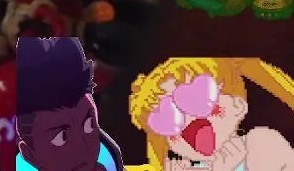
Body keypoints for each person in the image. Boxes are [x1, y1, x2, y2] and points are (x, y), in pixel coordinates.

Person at [128, 57, 294, 171]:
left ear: (237, 105)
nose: (186, 120)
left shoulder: (262, 144)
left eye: (196, 99)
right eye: (167, 119)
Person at [16, 37, 124, 171]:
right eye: (61, 137)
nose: (82, 147)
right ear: (30, 155)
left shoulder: (112, 157)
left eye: (89, 124)